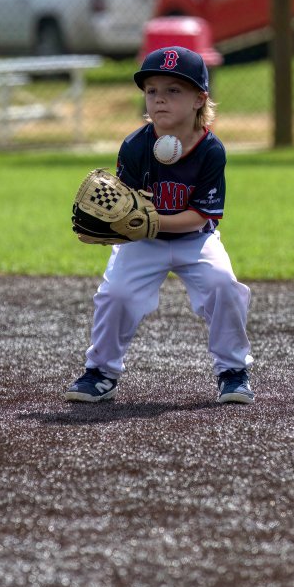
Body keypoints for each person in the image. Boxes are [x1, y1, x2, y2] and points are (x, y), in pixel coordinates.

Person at [64, 46, 254, 404]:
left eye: (173, 90)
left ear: (199, 99)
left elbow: (201, 215)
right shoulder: (135, 146)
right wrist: (122, 223)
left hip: (194, 240)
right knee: (116, 294)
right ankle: (101, 372)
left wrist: (150, 222)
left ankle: (232, 372)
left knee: (223, 286)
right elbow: (122, 205)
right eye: (151, 90)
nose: (159, 99)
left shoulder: (211, 150)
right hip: (143, 242)